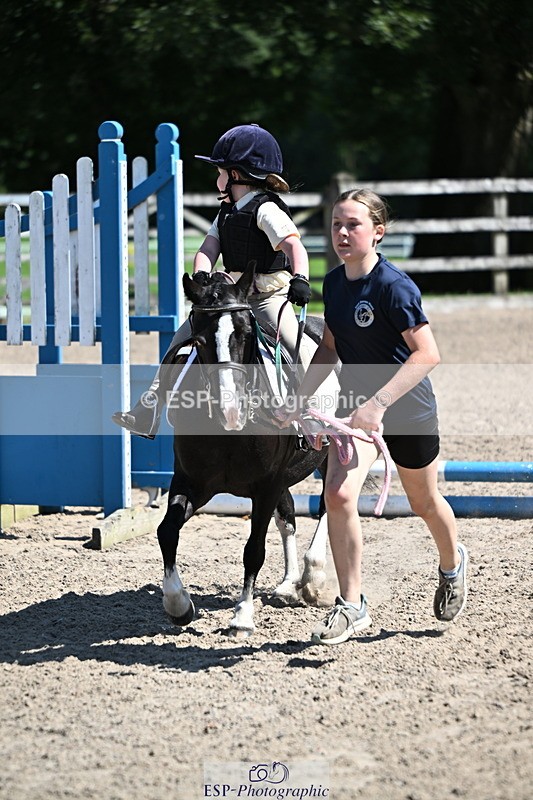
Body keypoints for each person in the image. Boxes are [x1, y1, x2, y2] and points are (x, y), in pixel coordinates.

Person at [277, 188, 468, 645]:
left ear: (378, 232)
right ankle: (352, 605)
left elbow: (428, 354)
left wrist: (378, 404)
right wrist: (300, 399)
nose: (342, 233)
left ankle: (452, 563)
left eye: (353, 225)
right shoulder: (334, 283)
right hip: (353, 412)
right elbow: (329, 349)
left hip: (408, 412)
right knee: (339, 495)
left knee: (424, 502)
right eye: (337, 224)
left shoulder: (394, 287)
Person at [113, 123, 312, 438]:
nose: (216, 179)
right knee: (179, 342)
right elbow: (207, 248)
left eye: (220, 172)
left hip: (268, 299)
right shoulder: (226, 213)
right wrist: (203, 274)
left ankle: (315, 413)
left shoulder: (267, 210)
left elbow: (293, 245)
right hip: (231, 301)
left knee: (299, 348)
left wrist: (300, 278)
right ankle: (148, 408)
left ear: (235, 175)